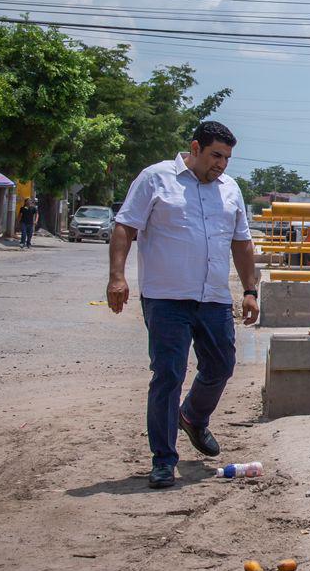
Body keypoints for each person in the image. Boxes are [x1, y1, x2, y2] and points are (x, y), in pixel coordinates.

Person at [107, 121, 260, 489]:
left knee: (221, 365)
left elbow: (242, 243)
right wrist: (117, 277)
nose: (221, 164)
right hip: (166, 298)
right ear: (195, 148)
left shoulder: (230, 189)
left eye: (226, 158)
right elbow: (125, 227)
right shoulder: (156, 179)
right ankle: (163, 460)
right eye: (215, 155)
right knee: (169, 375)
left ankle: (192, 417)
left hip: (213, 298)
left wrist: (250, 290)